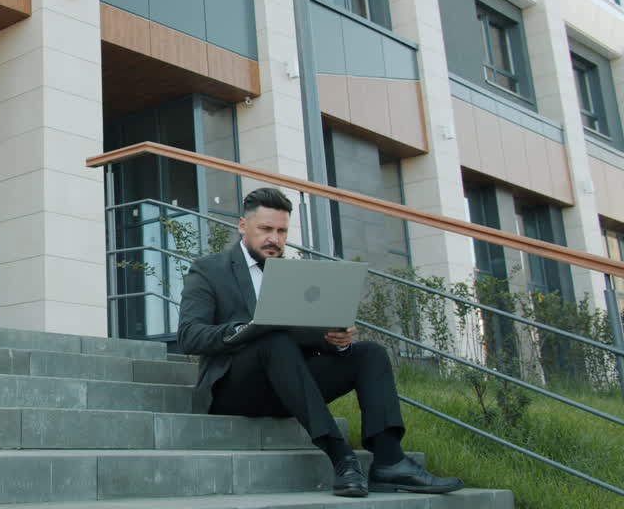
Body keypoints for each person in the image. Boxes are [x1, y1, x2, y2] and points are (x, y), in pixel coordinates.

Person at [177, 187, 463, 498]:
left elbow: (303, 339)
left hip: (289, 384)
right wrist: (249, 329)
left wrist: (333, 341)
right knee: (272, 339)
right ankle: (342, 458)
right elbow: (190, 335)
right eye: (266, 229)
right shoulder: (209, 269)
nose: (274, 238)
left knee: (369, 353)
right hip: (233, 388)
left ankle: (390, 461)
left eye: (282, 231)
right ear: (243, 226)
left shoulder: (297, 274)